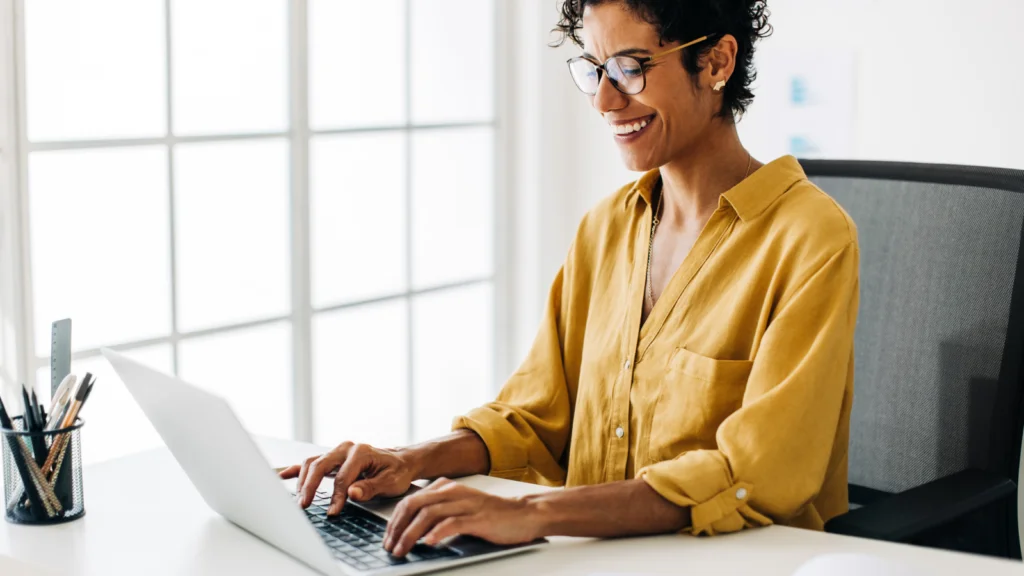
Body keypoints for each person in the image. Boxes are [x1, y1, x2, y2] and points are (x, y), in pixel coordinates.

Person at [281, 0, 859, 558]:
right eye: (595, 70)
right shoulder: (606, 228)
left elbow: (756, 473)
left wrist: (534, 514)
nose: (605, 100)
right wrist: (411, 460)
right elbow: (534, 420)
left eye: (630, 68)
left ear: (716, 62)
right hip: (586, 557)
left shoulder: (810, 238)